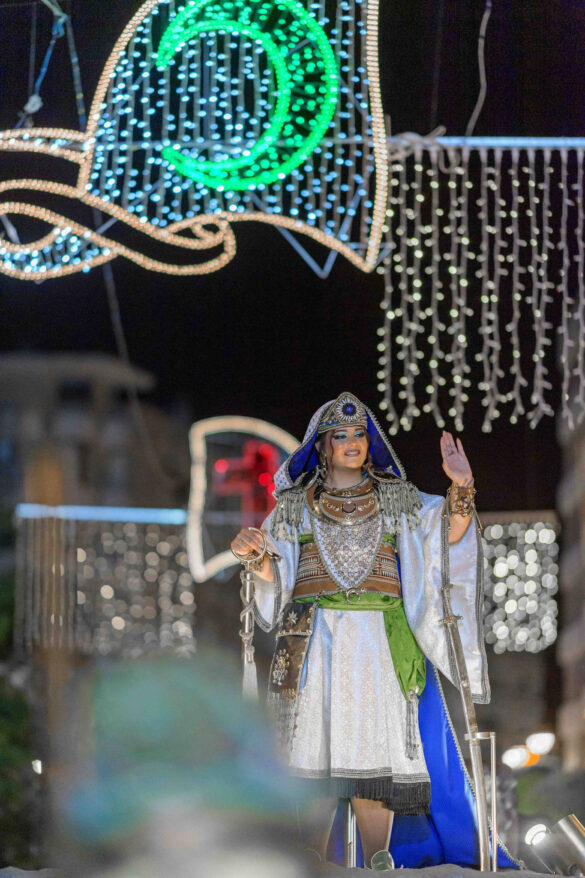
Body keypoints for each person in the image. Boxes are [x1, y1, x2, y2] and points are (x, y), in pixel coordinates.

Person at [231, 393, 518, 870]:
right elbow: (275, 575)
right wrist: (254, 554)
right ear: (321, 446)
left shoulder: (397, 498)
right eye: (340, 435)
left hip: (380, 641)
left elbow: (447, 537)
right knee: (313, 756)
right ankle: (312, 862)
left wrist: (462, 485)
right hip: (313, 643)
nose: (352, 442)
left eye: (359, 434)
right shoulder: (293, 506)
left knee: (374, 755)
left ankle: (378, 861)